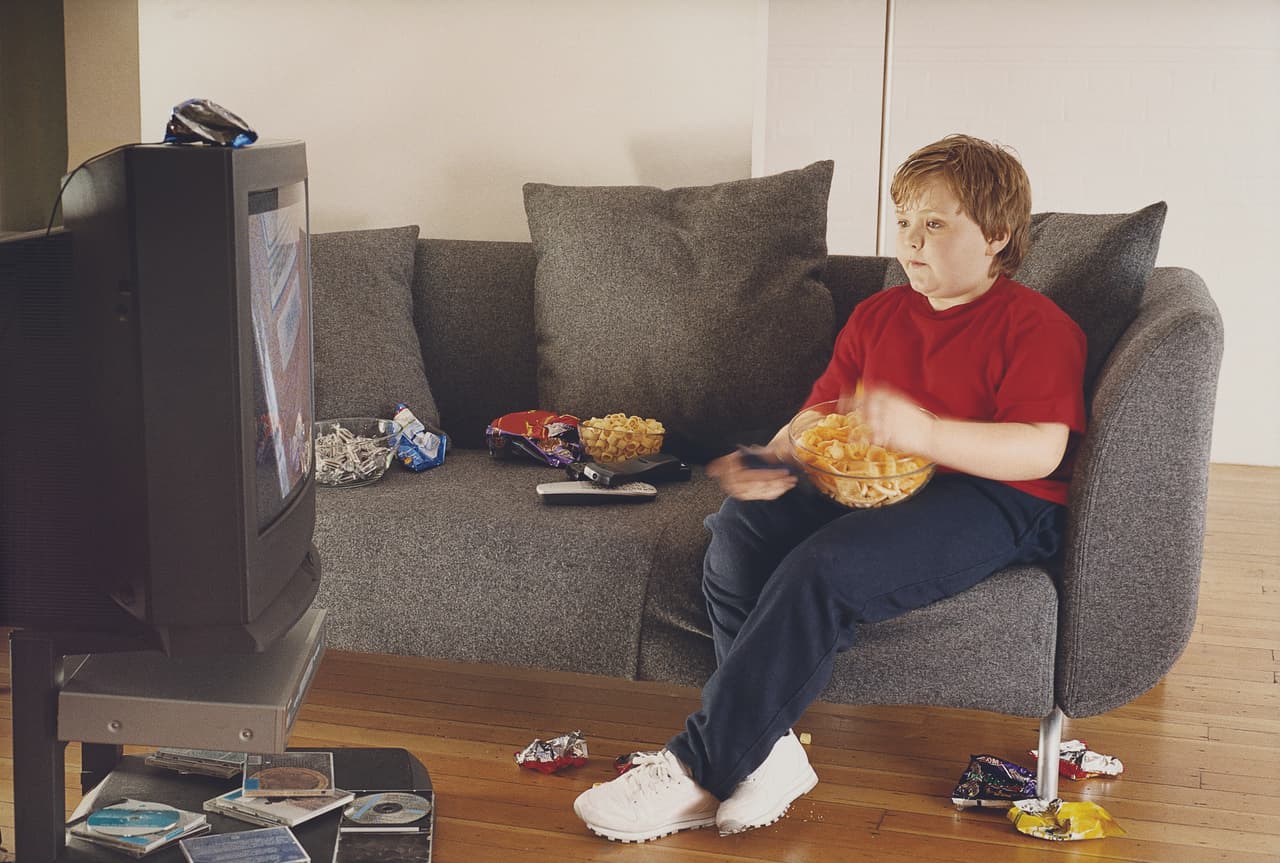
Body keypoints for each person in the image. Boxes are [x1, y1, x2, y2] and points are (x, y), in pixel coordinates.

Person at [572, 134, 1087, 843]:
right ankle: (770, 746)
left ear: (996, 234)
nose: (910, 239)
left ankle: (698, 767)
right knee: (737, 533)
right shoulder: (879, 315)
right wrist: (772, 459)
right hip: (880, 480)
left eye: (935, 223)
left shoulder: (1037, 326)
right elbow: (823, 418)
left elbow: (1043, 446)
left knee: (825, 567)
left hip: (1000, 495)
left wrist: (928, 431)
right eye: (904, 220)